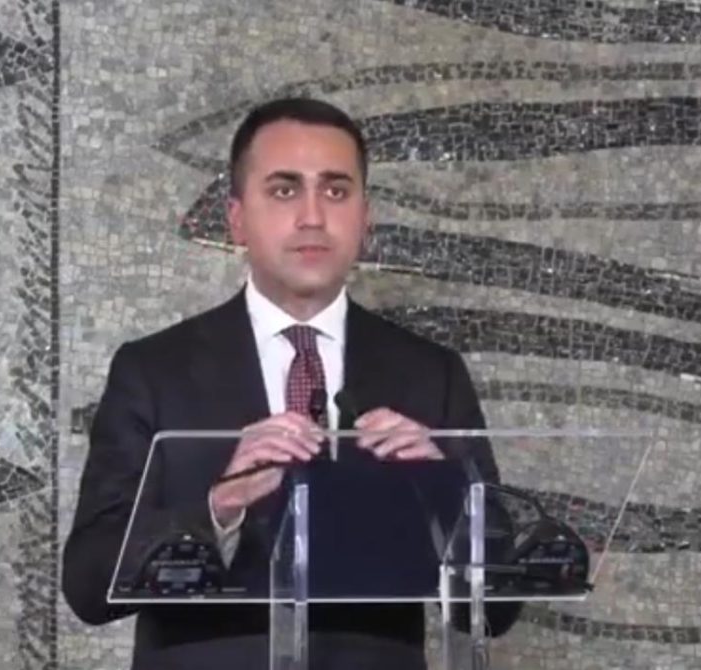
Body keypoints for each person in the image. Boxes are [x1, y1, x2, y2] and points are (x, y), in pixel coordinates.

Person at [62, 97, 519, 669]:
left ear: (366, 217)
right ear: (236, 219)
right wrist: (217, 508)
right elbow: (88, 583)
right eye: (284, 190)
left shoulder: (432, 373)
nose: (312, 216)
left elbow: (501, 608)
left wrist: (447, 498)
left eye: (336, 191)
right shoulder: (153, 370)